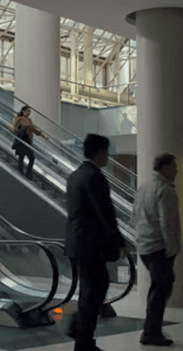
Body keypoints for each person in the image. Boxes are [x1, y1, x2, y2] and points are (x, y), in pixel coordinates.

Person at [65, 134, 127, 351]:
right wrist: (118, 240)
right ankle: (83, 339)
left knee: (89, 289)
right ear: (100, 152)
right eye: (106, 153)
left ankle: (80, 331)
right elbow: (104, 212)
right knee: (96, 289)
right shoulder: (95, 177)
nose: (107, 158)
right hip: (91, 244)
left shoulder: (74, 176)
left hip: (76, 242)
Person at [133, 153, 180, 347]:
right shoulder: (165, 189)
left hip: (144, 245)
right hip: (159, 246)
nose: (176, 170)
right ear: (165, 167)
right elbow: (167, 223)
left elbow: (133, 215)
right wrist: (172, 248)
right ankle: (151, 331)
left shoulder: (143, 187)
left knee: (159, 286)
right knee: (161, 288)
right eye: (174, 166)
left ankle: (152, 329)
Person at [11, 105, 47, 179]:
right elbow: (14, 129)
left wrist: (43, 136)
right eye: (27, 111)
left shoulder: (29, 120)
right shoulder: (19, 119)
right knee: (22, 157)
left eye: (30, 111)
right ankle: (22, 172)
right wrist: (23, 128)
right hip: (22, 140)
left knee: (31, 158)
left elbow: (34, 129)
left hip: (28, 141)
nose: (29, 113)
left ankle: (28, 173)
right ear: (23, 111)